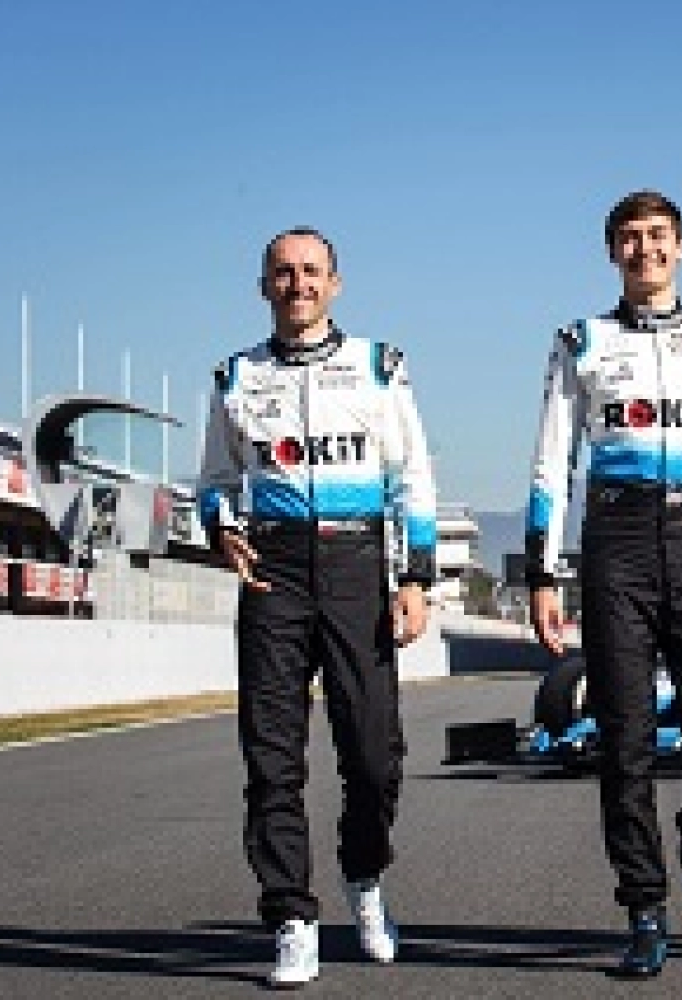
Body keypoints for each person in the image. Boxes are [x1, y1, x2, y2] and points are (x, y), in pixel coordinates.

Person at [525, 190, 682, 977]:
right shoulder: (581, 341)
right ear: (612, 252)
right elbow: (551, 465)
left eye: (659, 236)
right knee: (626, 739)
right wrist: (545, 572)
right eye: (630, 239)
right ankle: (644, 906)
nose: (645, 250)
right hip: (617, 543)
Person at [198, 227, 438, 988]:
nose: (297, 284)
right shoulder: (235, 377)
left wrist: (415, 577)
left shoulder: (379, 366)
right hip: (273, 573)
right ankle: (292, 918)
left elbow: (414, 480)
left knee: (372, 756)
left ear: (335, 283)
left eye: (311, 272)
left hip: (356, 565)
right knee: (271, 758)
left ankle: (364, 880)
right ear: (262, 285)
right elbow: (211, 480)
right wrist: (219, 527)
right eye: (283, 273)